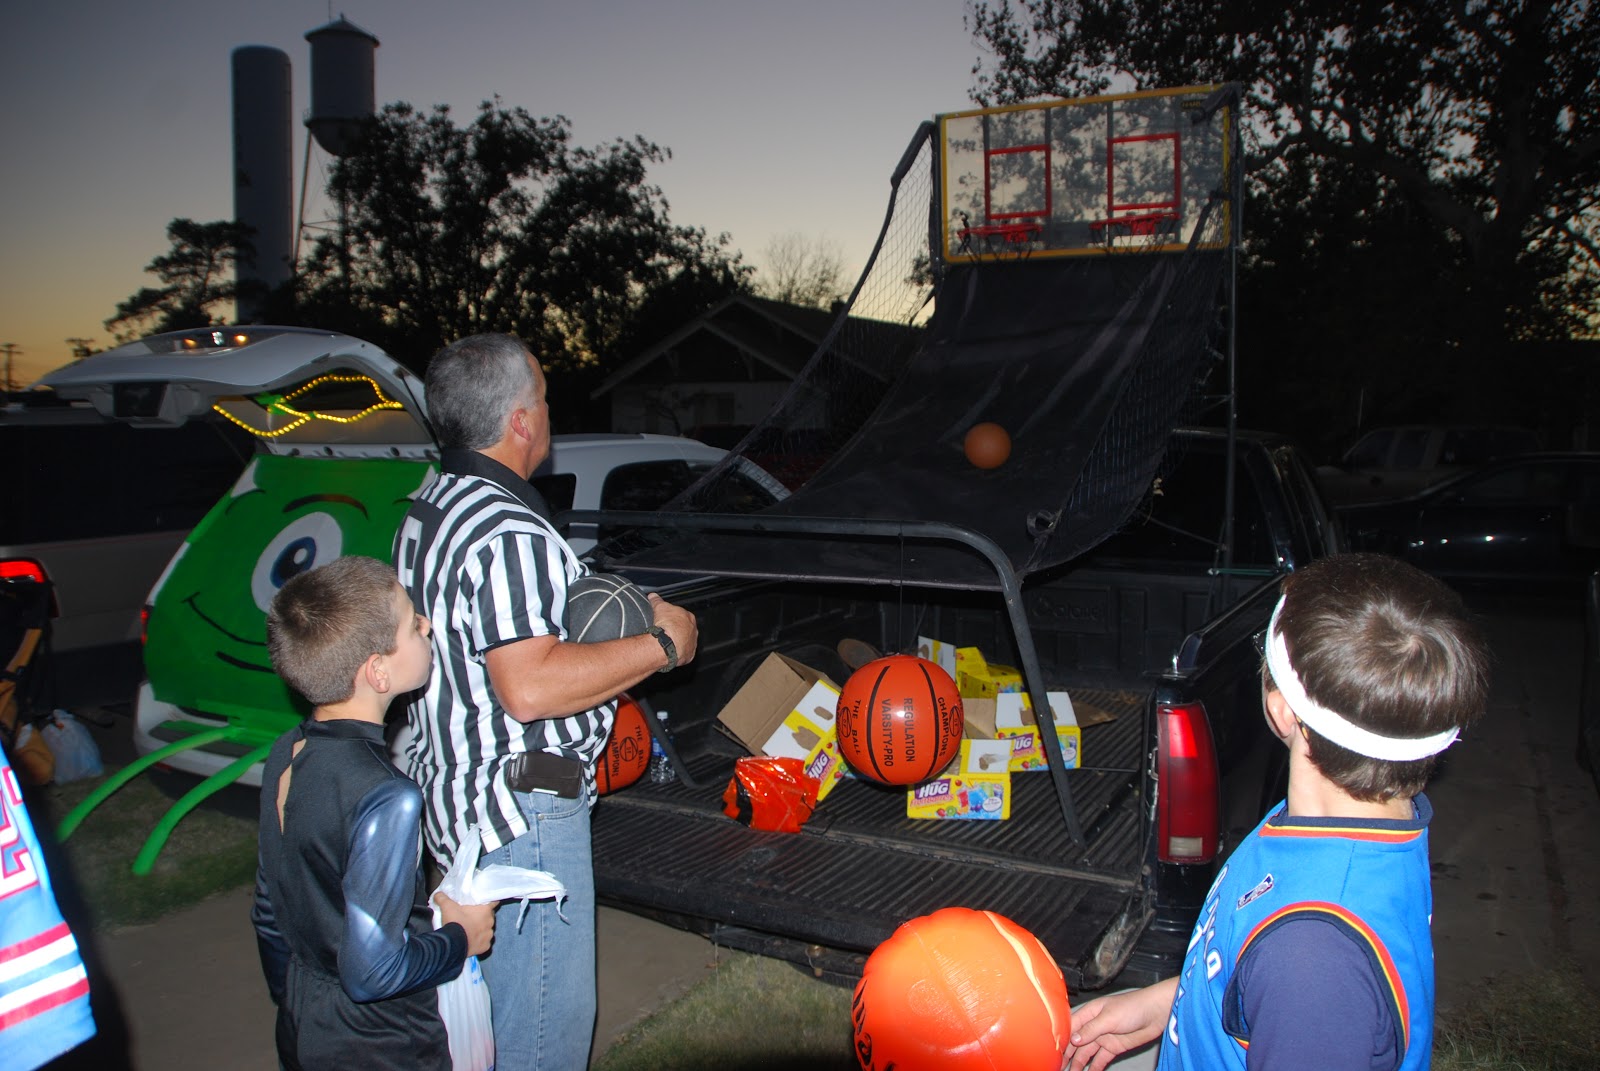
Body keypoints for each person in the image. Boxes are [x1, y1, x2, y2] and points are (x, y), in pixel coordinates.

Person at [393, 332, 700, 1071]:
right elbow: (528, 685)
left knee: (494, 1022)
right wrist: (664, 643)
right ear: (521, 422)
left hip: (458, 796)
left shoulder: (432, 505)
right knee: (543, 1031)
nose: (549, 415)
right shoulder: (507, 527)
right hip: (521, 809)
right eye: (544, 400)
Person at [1063, 553, 1489, 1071]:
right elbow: (1261, 967)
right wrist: (1170, 1000)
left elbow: (1304, 989)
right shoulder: (1357, 819)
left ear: (1282, 708)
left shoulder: (1314, 961)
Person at [251, 555, 497, 1070]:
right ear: (378, 671)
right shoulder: (387, 796)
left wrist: (298, 1006)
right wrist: (459, 938)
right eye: (412, 624)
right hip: (381, 1043)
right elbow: (374, 973)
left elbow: (270, 911)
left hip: (303, 1017)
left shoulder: (287, 752)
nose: (427, 625)